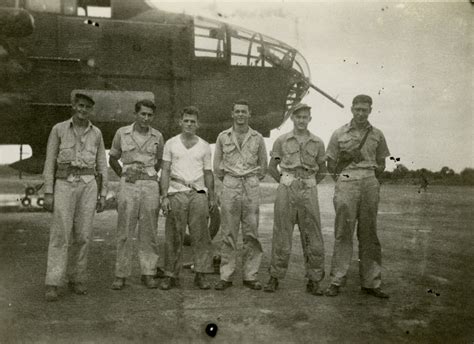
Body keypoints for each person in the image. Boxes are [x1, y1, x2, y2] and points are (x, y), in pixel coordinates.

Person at [42, 93, 107, 302]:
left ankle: (78, 278)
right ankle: (53, 282)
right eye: (80, 106)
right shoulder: (59, 129)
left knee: (83, 235)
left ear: (91, 110)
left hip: (88, 186)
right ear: (73, 106)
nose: (83, 110)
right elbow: (49, 161)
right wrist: (48, 192)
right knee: (60, 234)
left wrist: (103, 193)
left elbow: (102, 164)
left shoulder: (96, 133)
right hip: (64, 184)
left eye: (87, 107)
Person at [325, 94, 390, 298]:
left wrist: (370, 178)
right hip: (347, 180)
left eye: (365, 109)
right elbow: (331, 164)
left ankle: (371, 283)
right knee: (343, 231)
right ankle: (336, 280)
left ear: (370, 110)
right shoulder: (339, 133)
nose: (361, 113)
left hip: (370, 180)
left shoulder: (377, 134)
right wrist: (345, 180)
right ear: (352, 109)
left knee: (369, 233)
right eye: (357, 109)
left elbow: (382, 163)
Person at [264, 103, 327, 295]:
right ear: (292, 118)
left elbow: (323, 170)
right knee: (282, 233)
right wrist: (286, 181)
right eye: (298, 117)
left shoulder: (317, 142)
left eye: (305, 117)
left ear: (310, 119)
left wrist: (308, 182)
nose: (301, 120)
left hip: (308, 188)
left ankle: (314, 279)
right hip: (287, 187)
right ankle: (275, 276)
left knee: (313, 235)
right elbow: (271, 167)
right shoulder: (281, 140)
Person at [109, 99, 164, 290]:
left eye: (149, 115)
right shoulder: (122, 133)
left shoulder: (158, 136)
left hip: (149, 185)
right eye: (143, 114)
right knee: (124, 230)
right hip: (129, 185)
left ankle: (148, 273)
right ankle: (121, 274)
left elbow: (159, 162)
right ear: (136, 114)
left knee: (149, 231)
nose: (146, 118)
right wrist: (124, 175)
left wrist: (147, 175)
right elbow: (113, 158)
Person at [213, 99, 267, 291]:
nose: (241, 115)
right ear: (232, 114)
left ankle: (250, 275)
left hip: (250, 185)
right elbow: (217, 167)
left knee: (252, 232)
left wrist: (250, 180)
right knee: (228, 232)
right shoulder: (222, 137)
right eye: (237, 111)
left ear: (249, 114)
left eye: (244, 111)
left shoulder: (258, 138)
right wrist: (231, 180)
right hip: (231, 184)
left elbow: (263, 166)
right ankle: (226, 276)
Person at [159, 106, 215, 290]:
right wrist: (164, 195)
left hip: (198, 193)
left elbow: (208, 173)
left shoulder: (205, 146)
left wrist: (211, 197)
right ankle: (170, 275)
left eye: (193, 121)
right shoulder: (171, 143)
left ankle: (201, 274)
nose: (189, 124)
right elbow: (165, 171)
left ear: (197, 124)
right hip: (176, 192)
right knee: (173, 235)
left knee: (201, 236)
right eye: (186, 121)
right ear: (180, 122)